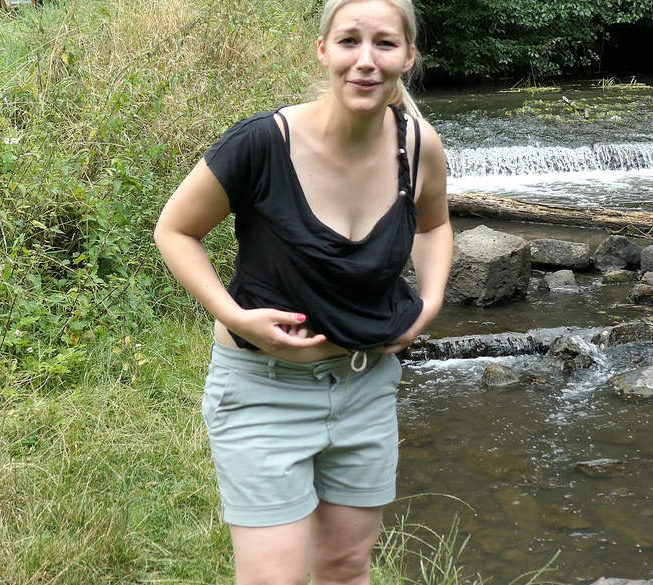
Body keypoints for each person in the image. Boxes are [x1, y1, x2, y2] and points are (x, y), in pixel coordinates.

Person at [154, 0, 452, 582]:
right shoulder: (261, 143)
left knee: (345, 567)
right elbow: (175, 230)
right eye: (349, 41)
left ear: (408, 57)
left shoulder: (418, 146)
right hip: (263, 392)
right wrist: (236, 316)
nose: (366, 60)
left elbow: (434, 225)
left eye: (385, 43)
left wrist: (432, 301)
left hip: (366, 387)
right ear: (323, 50)